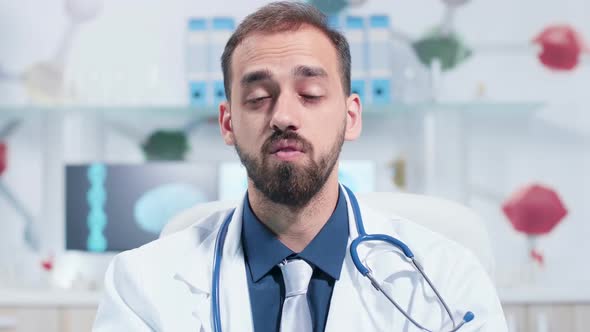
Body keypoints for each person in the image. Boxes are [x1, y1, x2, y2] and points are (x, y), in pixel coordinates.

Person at [93, 2, 507, 331]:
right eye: (257, 97)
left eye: (310, 93)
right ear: (227, 123)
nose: (284, 116)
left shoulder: (446, 282)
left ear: (351, 117)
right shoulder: (142, 285)